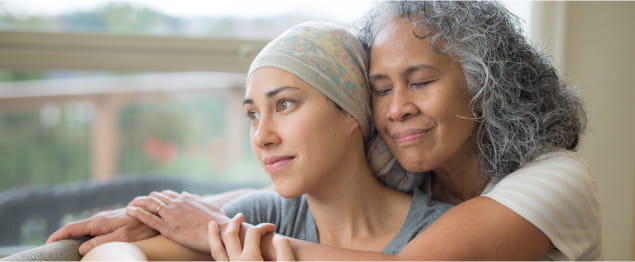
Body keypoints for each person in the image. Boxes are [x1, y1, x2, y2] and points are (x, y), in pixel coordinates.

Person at [47, 1, 601, 261]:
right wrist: (159, 212)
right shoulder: (404, 162)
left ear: (485, 85)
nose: (397, 108)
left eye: (420, 81)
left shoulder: (554, 180)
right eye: (381, 88)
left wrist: (237, 242)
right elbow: (260, 200)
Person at [77, 20, 452, 261]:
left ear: (352, 110)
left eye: (284, 104)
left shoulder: (441, 236)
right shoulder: (265, 217)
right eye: (253, 115)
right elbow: (113, 254)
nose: (262, 136)